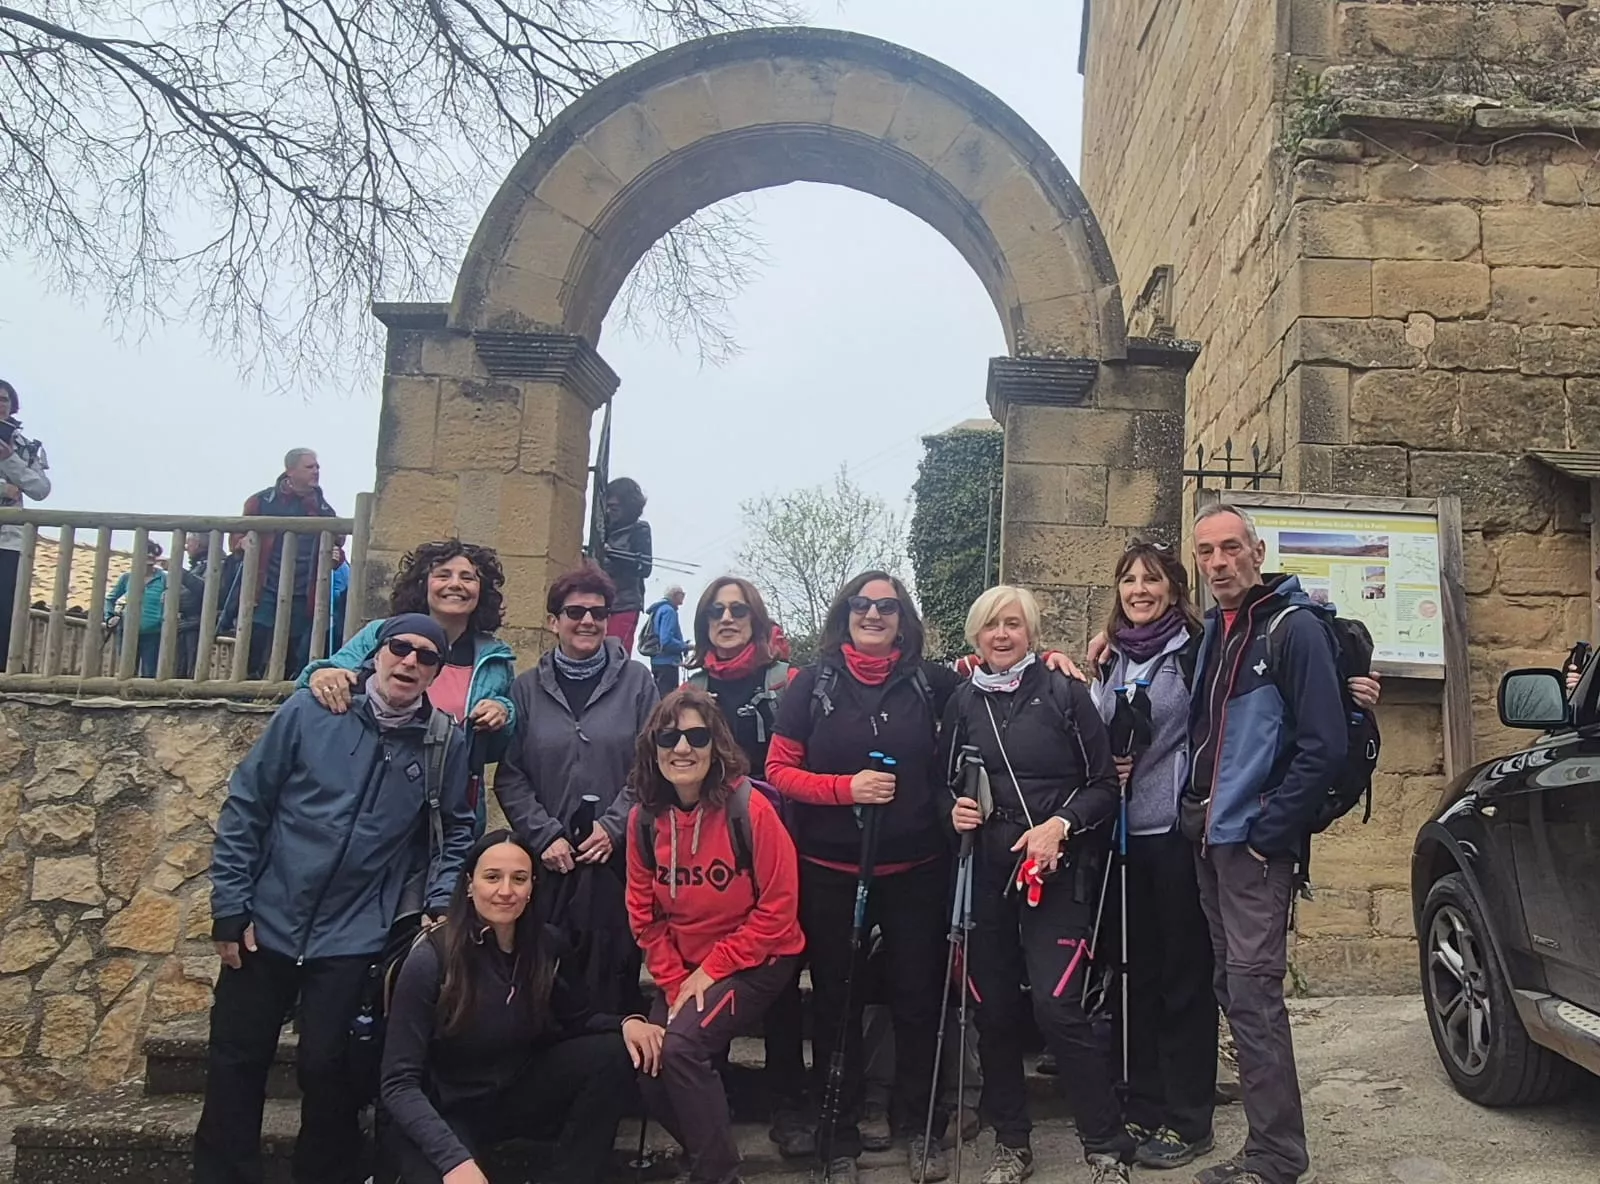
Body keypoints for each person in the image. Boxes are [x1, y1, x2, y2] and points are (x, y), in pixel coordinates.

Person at [195, 613, 476, 1184]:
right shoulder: (310, 710)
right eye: (401, 647)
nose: (410, 662)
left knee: (330, 1073)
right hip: (265, 920)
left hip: (354, 935)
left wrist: (440, 901)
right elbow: (249, 803)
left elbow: (458, 829)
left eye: (426, 657)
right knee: (235, 1064)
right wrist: (230, 904)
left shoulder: (444, 741)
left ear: (436, 672)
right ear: (377, 652)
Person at [766, 571, 959, 1184]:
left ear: (904, 619)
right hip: (830, 870)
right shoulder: (810, 684)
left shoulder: (933, 683)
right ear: (844, 613)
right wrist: (844, 789)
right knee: (836, 1003)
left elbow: (1002, 674)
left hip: (916, 870)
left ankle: (919, 1122)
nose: (872, 615)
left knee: (916, 997)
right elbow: (779, 770)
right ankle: (839, 1129)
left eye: (887, 606)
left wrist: (1057, 658)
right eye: (861, 604)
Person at [1180, 503, 1347, 1184]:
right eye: (1205, 552)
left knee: (1253, 997)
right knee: (1235, 990)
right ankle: (1263, 1148)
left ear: (1257, 549)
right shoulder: (1218, 632)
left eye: (1229, 548)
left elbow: (1324, 745)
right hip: (1211, 842)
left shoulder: (1290, 628)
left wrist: (1267, 835)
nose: (1218, 563)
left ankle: (1277, 1157)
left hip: (1250, 847)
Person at [943, 586, 1129, 1184]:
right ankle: (1011, 1144)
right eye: (991, 626)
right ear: (975, 635)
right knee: (993, 1011)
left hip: (1058, 871)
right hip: (987, 873)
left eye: (1014, 624)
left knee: (1057, 1008)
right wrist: (955, 810)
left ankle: (1104, 1146)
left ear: (1032, 633)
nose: (1002, 635)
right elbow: (940, 784)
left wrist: (1060, 825)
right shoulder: (961, 701)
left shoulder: (1064, 691)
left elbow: (1105, 786)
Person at [379, 830, 662, 1184]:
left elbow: (579, 1020)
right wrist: (454, 1162)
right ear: (470, 885)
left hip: (515, 1092)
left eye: (519, 879)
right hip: (446, 1108)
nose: (505, 890)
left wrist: (627, 1024)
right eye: (492, 877)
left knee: (610, 1053)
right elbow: (398, 1083)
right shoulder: (431, 959)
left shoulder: (547, 946)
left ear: (532, 888)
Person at [627, 686, 806, 1184]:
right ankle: (708, 1151)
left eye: (696, 736)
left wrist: (712, 968)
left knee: (682, 1048)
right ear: (653, 747)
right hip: (684, 966)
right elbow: (644, 915)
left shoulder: (749, 810)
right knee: (652, 1067)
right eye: (669, 737)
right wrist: (672, 981)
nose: (682, 748)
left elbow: (779, 909)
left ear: (716, 745)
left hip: (758, 957)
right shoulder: (644, 821)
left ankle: (717, 1174)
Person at [1087, 542, 1217, 1170]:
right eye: (1129, 579)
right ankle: (1142, 1100)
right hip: (1120, 835)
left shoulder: (1193, 650)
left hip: (1175, 833)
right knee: (1132, 975)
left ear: (1174, 588)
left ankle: (1190, 1116)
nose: (1140, 589)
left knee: (1183, 977)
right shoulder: (1109, 659)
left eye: (1153, 579)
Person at [684, 576, 811, 1157]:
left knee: (776, 974)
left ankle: (789, 1102)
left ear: (757, 620)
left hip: (776, 844)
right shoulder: (691, 691)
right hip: (709, 854)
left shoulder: (787, 684)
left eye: (738, 610)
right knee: (712, 963)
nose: (726, 619)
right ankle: (715, 1091)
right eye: (716, 611)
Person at [495, 563, 658, 1013]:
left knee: (613, 981)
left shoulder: (638, 683)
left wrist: (613, 826)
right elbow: (510, 774)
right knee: (547, 980)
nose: (588, 621)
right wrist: (544, 835)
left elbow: (654, 765)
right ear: (553, 621)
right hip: (550, 865)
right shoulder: (525, 690)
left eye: (598, 613)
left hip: (617, 863)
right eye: (575, 611)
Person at [300, 540, 515, 833]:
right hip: (369, 794)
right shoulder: (382, 635)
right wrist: (321, 676)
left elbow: (495, 750)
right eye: (443, 575)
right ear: (424, 584)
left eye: (468, 578)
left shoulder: (494, 658)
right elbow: (319, 681)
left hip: (446, 808)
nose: (456, 585)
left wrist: (503, 713)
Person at [230, 447, 339, 681]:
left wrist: (336, 558)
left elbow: (337, 545)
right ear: (290, 471)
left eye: (317, 466)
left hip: (304, 589)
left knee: (295, 644)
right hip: (265, 584)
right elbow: (236, 536)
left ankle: (282, 693)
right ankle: (247, 688)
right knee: (255, 636)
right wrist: (242, 543)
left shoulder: (323, 509)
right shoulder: (261, 502)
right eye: (309, 467)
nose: (316, 471)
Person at [0, 378, 50, 670]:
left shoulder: (25, 446)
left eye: (4, 399)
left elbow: (40, 489)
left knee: (7, 606)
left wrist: (9, 461)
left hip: (11, 540)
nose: (0, 405)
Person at [599, 477, 652, 656]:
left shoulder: (639, 530)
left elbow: (645, 568)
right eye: (607, 507)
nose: (609, 512)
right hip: (599, 603)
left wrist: (613, 555)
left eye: (614, 508)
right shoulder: (602, 529)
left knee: (615, 655)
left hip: (624, 603)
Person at [106, 539, 169, 678]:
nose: (150, 557)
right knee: (127, 670)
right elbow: (110, 599)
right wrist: (109, 617)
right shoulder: (128, 578)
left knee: (150, 673)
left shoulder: (164, 578)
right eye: (146, 553)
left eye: (152, 554)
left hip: (153, 632)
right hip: (128, 630)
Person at [645, 584, 690, 697]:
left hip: (657, 660)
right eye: (682, 594)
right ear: (675, 595)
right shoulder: (669, 611)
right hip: (667, 662)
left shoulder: (659, 609)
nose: (683, 597)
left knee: (659, 696)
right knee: (668, 698)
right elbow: (666, 641)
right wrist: (685, 646)